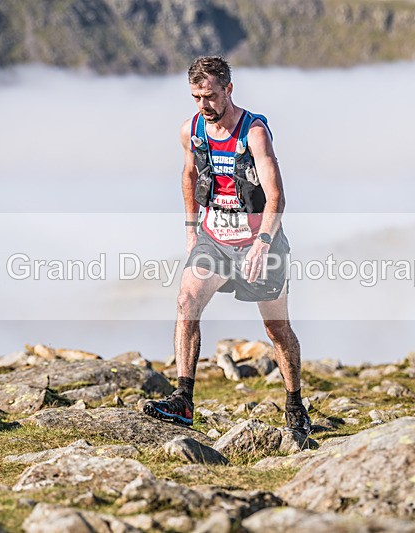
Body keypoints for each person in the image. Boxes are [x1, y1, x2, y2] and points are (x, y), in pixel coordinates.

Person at [143, 56, 311, 435]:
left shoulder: (254, 133)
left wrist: (263, 243)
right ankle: (184, 399)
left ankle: (294, 404)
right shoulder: (192, 130)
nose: (204, 105)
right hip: (214, 240)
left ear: (228, 90)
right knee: (187, 302)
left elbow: (276, 198)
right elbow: (188, 174)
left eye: (210, 96)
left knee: (277, 329)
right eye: (196, 97)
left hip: (259, 243)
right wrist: (190, 229)